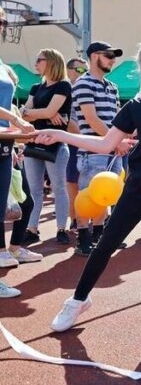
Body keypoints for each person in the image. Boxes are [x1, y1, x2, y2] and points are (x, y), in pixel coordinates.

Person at [37, 36, 141, 332]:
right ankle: (78, 301)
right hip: (138, 190)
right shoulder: (136, 107)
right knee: (105, 245)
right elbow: (106, 143)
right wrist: (62, 135)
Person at [71, 41, 125, 256]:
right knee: (87, 195)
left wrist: (122, 138)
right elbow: (91, 119)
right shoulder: (83, 83)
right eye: (109, 55)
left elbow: (118, 119)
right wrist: (115, 140)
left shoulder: (112, 87)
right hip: (93, 150)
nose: (113, 60)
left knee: (107, 195)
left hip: (112, 150)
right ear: (95, 56)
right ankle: (83, 239)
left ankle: (99, 237)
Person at [0, 30, 39, 290]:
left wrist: (21, 133)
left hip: (4, 143)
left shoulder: (2, 65)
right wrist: (17, 120)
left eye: (2, 21)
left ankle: (12, 250)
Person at [20, 48, 72, 245]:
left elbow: (34, 111)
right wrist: (47, 113)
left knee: (59, 187)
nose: (36, 64)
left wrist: (41, 112)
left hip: (56, 144)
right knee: (34, 189)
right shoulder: (36, 87)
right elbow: (23, 113)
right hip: (34, 141)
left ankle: (61, 228)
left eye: (39, 60)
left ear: (50, 62)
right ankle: (32, 228)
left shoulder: (64, 85)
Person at [65, 57, 88, 232]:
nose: (84, 74)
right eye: (80, 70)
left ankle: (91, 224)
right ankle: (75, 221)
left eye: (85, 70)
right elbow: (69, 121)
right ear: (69, 70)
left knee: (88, 185)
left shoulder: (87, 88)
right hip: (74, 144)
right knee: (73, 184)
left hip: (89, 143)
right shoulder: (67, 91)